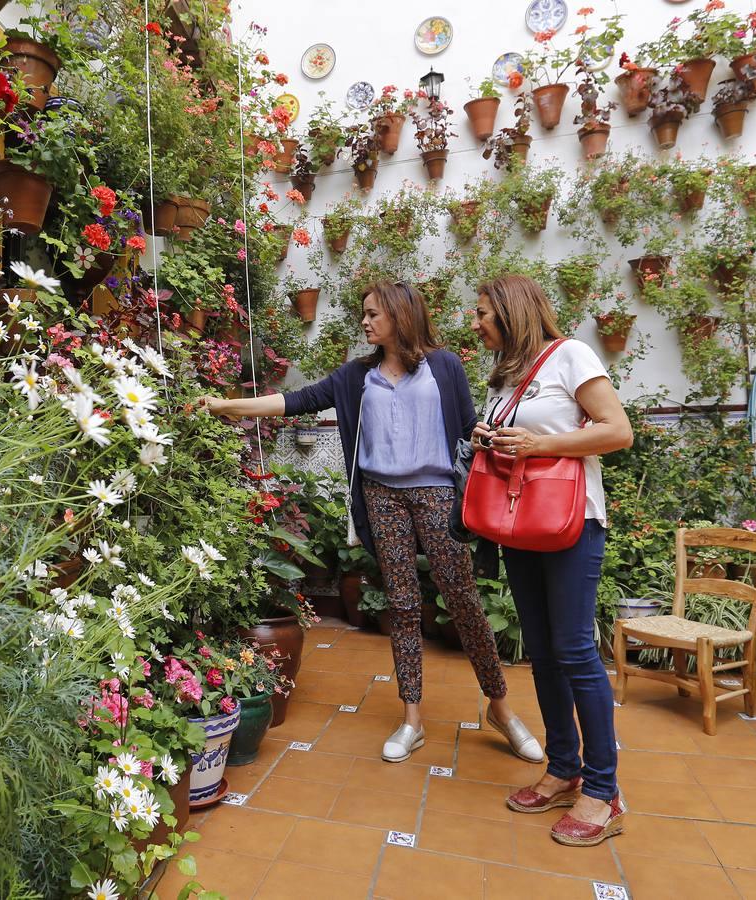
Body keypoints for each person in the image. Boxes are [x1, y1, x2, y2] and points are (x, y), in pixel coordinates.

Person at [205, 281, 542, 765]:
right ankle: (412, 720)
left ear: (401, 316)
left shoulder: (443, 366)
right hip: (381, 497)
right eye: (363, 314)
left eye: (373, 314)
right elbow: (291, 402)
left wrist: (484, 434)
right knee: (402, 606)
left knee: (464, 602)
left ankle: (503, 711)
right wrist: (224, 407)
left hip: (437, 494)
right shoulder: (354, 377)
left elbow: (467, 423)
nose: (365, 322)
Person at [468, 274, 633, 847]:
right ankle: (564, 768)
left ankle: (603, 789)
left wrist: (536, 445)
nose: (476, 322)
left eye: (484, 312)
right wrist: (489, 436)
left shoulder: (571, 356)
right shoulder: (508, 377)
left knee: (573, 650)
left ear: (513, 312)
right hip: (520, 525)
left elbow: (618, 432)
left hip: (571, 523)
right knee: (540, 651)